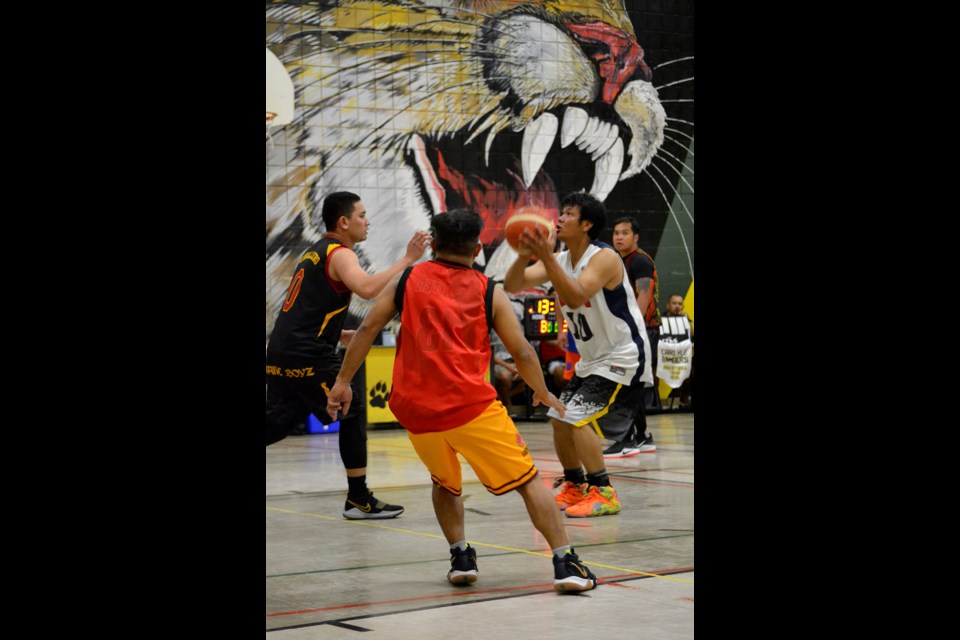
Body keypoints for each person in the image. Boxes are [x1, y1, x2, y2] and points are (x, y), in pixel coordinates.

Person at [325, 209, 598, 593]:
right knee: (530, 482)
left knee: (445, 482)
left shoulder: (408, 278)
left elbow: (368, 328)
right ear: (478, 247)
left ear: (433, 244)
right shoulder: (489, 289)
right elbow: (522, 351)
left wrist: (341, 382)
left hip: (417, 412)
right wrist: (541, 391)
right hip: (472, 408)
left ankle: (461, 557)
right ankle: (565, 561)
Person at [265, 191, 431, 520]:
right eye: (361, 215)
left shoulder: (316, 251)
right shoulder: (340, 254)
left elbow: (307, 308)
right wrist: (407, 259)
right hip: (307, 354)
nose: (367, 221)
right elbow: (368, 289)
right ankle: (358, 498)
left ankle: (358, 497)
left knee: (280, 421)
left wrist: (337, 334)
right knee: (350, 408)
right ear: (343, 222)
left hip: (284, 349)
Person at [504, 192, 653, 518]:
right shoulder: (560, 259)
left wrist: (547, 257)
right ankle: (576, 485)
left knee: (573, 417)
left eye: (568, 214)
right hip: (592, 360)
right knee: (558, 418)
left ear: (586, 225)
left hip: (623, 356)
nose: (559, 219)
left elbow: (573, 296)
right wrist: (524, 255)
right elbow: (512, 285)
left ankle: (604, 492)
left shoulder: (604, 258)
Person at [607, 216, 660, 457]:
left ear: (635, 237)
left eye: (624, 233)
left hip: (642, 331)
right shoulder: (623, 260)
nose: (619, 236)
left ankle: (625, 440)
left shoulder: (638, 261)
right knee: (633, 383)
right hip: (637, 330)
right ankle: (641, 437)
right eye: (616, 232)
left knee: (627, 384)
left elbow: (644, 296)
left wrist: (632, 329)